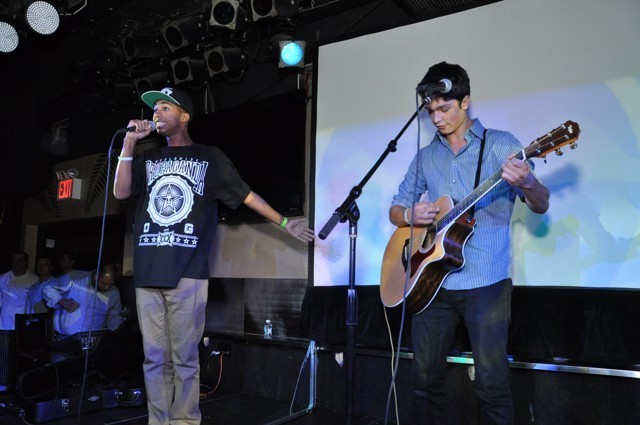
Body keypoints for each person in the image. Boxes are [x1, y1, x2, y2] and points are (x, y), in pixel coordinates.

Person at [113, 87, 314, 425]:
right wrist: (129, 143)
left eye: (165, 107)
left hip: (188, 272)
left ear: (184, 116)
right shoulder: (148, 158)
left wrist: (284, 222)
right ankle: (158, 421)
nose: (157, 113)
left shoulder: (209, 157)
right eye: (155, 108)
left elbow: (246, 195)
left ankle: (185, 421)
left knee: (184, 358)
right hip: (147, 272)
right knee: (153, 359)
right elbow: (121, 192)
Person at [389, 62, 549, 425]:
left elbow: (541, 203)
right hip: (431, 284)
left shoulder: (501, 145)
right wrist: (409, 214)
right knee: (423, 380)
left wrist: (527, 182)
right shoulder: (426, 156)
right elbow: (396, 210)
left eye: (444, 108)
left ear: (465, 102)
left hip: (485, 282)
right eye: (431, 111)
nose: (437, 118)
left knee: (491, 383)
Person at [42, 263, 123, 340]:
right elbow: (47, 288)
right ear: (97, 274)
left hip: (94, 342)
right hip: (65, 339)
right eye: (103, 283)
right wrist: (61, 300)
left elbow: (114, 318)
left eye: (110, 284)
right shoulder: (75, 277)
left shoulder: (114, 293)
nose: (107, 287)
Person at [0, 251, 38, 391]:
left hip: (24, 325)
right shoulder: (3, 278)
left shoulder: (34, 279)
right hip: (4, 323)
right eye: (14, 260)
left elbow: (35, 303)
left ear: (26, 262)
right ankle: (3, 387)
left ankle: (22, 387)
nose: (17, 263)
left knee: (22, 357)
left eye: (20, 260)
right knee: (4, 356)